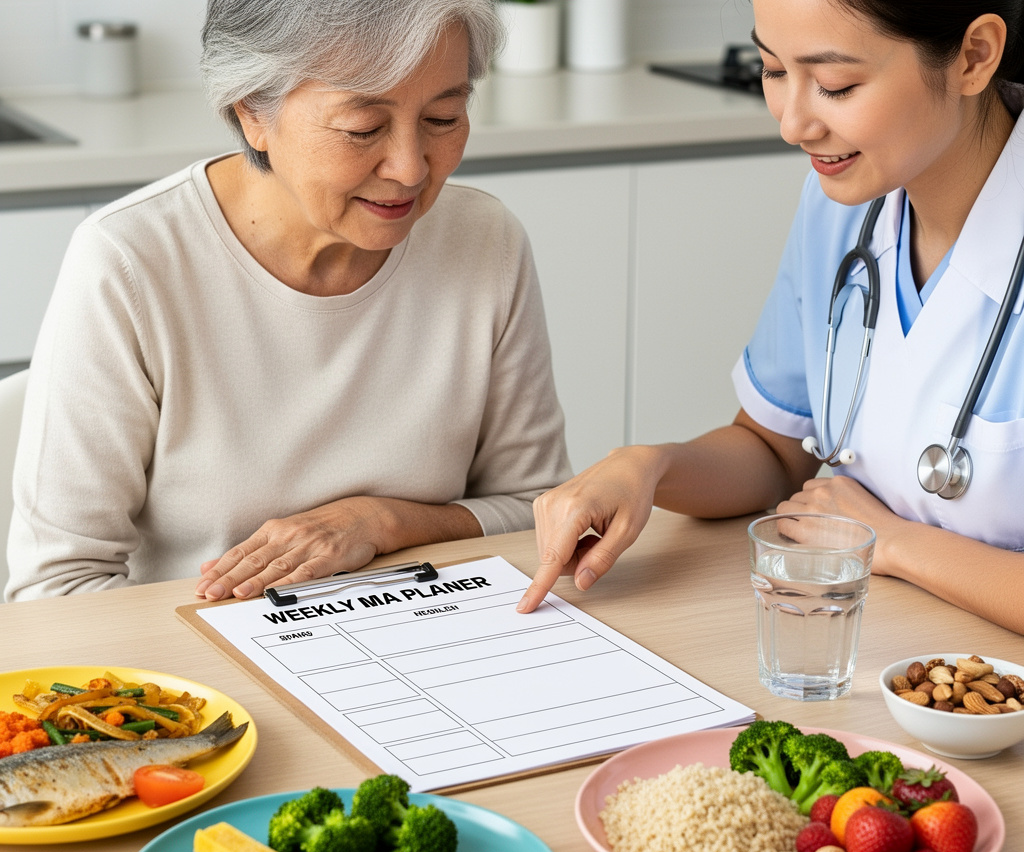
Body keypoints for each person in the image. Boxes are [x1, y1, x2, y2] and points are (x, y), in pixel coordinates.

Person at [6, 0, 570, 603]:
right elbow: (56, 589)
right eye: (363, 129)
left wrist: (383, 521)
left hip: (424, 637)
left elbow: (538, 511)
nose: (410, 169)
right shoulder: (131, 263)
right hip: (198, 661)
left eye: (443, 117)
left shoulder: (485, 240)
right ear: (252, 112)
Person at [518, 0, 1024, 634]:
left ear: (973, 56)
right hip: (881, 650)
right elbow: (773, 449)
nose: (793, 124)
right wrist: (648, 467)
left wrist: (894, 545)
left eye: (836, 85)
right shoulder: (842, 206)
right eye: (773, 70)